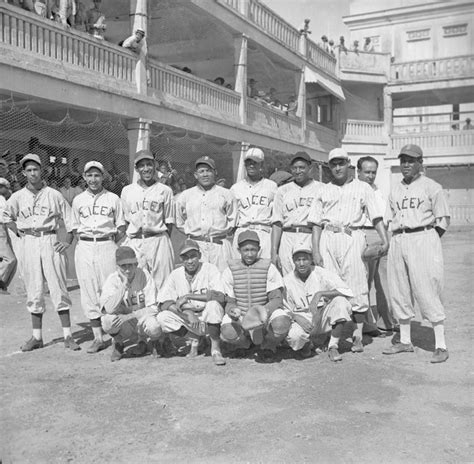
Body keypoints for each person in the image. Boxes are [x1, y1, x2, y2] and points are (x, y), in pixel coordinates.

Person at [309, 148, 389, 353]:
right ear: (329, 166)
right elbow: (316, 224)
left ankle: (357, 335)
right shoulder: (322, 189)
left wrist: (385, 240)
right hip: (328, 236)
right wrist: (316, 251)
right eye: (334, 164)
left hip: (352, 236)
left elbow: (376, 217)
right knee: (330, 284)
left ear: (348, 165)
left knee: (357, 284)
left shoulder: (363, 188)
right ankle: (329, 335)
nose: (337, 167)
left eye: (341, 163)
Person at [4, 154, 80, 352]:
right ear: (23, 173)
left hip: (50, 239)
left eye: (35, 169)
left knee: (58, 286)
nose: (32, 173)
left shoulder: (53, 194)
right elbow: (6, 216)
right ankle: (36, 337)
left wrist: (68, 241)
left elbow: (70, 218)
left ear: (42, 170)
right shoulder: (17, 196)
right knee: (34, 287)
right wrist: (16, 229)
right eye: (28, 170)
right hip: (29, 241)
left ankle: (68, 335)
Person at [383, 144, 450, 363]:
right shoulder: (395, 188)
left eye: (411, 161)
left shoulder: (432, 187)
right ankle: (404, 341)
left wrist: (428, 240)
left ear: (420, 163)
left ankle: (440, 345)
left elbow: (443, 220)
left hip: (423, 236)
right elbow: (389, 217)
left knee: (426, 287)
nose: (406, 165)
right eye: (403, 161)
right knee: (399, 289)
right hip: (399, 238)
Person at [71, 161, 126, 354]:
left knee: (110, 290)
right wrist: (87, 241)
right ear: (84, 177)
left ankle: (115, 338)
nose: (93, 179)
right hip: (85, 245)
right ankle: (97, 337)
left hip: (106, 244)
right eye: (89, 175)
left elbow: (121, 227)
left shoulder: (113, 199)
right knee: (88, 290)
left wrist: (109, 243)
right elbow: (75, 227)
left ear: (103, 177)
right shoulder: (78, 200)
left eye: (97, 175)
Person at [150, 239, 226, 366]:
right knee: (162, 317)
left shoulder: (210, 269)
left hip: (207, 317)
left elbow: (220, 296)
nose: (190, 261)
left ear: (199, 256)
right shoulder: (176, 274)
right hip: (190, 320)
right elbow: (163, 302)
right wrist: (186, 313)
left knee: (213, 305)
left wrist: (188, 296)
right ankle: (194, 338)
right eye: (185, 257)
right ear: (181, 259)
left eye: (193, 256)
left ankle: (215, 349)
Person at [221, 230, 290, 362]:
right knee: (227, 331)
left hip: (264, 314)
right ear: (238, 250)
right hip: (242, 314)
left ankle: (269, 345)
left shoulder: (268, 267)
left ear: (259, 249)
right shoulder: (230, 269)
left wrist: (262, 313)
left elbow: (276, 299)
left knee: (282, 322)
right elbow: (229, 301)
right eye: (245, 250)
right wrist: (232, 310)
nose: (250, 254)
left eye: (253, 249)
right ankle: (244, 344)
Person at [283, 245, 353, 361]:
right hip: (302, 319)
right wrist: (296, 316)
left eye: (305, 259)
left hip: (322, 316)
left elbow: (346, 291)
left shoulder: (321, 273)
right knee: (295, 337)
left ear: (311, 259)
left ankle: (333, 346)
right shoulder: (286, 280)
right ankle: (307, 344)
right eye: (298, 260)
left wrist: (320, 294)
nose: (301, 263)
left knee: (341, 302)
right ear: (293, 261)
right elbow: (283, 308)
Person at [121, 150, 175, 291]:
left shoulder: (165, 190)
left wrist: (158, 238)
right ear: (136, 169)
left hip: (158, 240)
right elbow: (127, 220)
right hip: (136, 241)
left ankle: (162, 312)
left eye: (149, 164)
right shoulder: (127, 190)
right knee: (136, 282)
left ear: (154, 166)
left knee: (163, 283)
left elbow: (169, 221)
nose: (146, 169)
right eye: (142, 165)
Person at [176, 156, 237, 272]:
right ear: (195, 175)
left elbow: (232, 220)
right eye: (201, 171)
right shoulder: (186, 195)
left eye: (208, 171)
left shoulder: (226, 194)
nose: (205, 174)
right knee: (199, 280)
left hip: (219, 245)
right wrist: (192, 232)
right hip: (196, 245)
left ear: (215, 172)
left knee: (222, 280)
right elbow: (179, 221)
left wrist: (220, 232)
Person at [100, 246, 161, 362]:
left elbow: (154, 307)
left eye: (130, 265)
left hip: (141, 318)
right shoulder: (112, 280)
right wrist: (123, 286)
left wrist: (129, 316)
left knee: (154, 327)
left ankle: (152, 342)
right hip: (125, 324)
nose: (127, 270)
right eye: (123, 266)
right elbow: (108, 309)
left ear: (136, 264)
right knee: (107, 321)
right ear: (117, 267)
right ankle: (119, 343)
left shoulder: (144, 275)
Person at [357, 156, 396, 333]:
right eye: (367, 172)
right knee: (366, 281)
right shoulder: (356, 190)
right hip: (364, 233)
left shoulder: (378, 191)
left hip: (381, 234)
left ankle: (387, 321)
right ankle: (366, 325)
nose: (370, 175)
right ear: (358, 172)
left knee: (385, 282)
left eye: (373, 172)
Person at [271, 151, 322, 276]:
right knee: (288, 277)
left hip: (309, 236)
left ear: (309, 168)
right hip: (288, 235)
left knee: (313, 276)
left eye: (302, 167)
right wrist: (274, 252)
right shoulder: (282, 190)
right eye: (294, 168)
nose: (298, 171)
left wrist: (316, 250)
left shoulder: (321, 188)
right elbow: (277, 223)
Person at [230, 148, 277, 259]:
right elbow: (232, 217)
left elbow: (276, 217)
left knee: (264, 269)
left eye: (255, 162)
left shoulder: (272, 186)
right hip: (243, 230)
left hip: (264, 232)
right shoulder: (235, 188)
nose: (251, 165)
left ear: (261, 164)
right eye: (248, 162)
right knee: (240, 270)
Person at [0, 178, 17, 293]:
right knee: (10, 259)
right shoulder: (1, 198)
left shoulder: (4, 199)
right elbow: (5, 217)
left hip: (3, 229)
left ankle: (3, 286)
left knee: (13, 261)